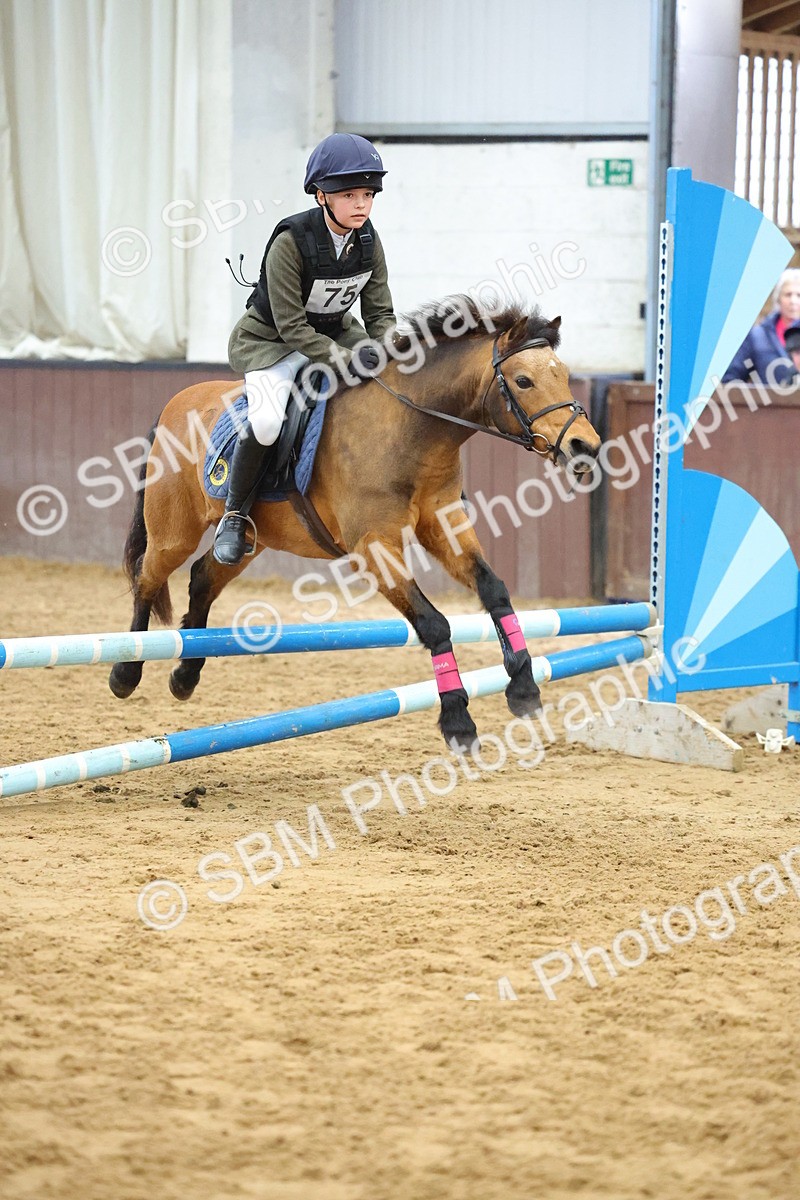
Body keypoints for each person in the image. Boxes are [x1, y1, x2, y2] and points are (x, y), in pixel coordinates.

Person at [214, 133, 397, 565]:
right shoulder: (290, 242)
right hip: (271, 344)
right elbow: (292, 327)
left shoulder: (368, 240)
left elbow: (381, 312)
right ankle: (235, 515)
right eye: (348, 194)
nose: (361, 204)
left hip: (334, 332)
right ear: (321, 196)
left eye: (367, 194)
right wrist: (346, 359)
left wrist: (390, 350)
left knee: (399, 384)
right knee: (265, 421)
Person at [723, 267, 800, 385]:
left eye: (799, 295)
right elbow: (731, 379)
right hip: (766, 402)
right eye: (788, 294)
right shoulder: (756, 336)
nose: (793, 301)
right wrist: (756, 395)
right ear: (778, 298)